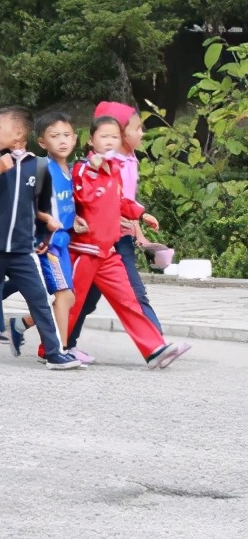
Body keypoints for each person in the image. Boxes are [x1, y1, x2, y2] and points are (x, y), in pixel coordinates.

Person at [0, 107, 80, 369]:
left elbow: (41, 207)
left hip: (24, 250)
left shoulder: (39, 166)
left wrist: (45, 232)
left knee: (41, 300)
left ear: (19, 134)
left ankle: (55, 353)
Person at [65, 116, 189, 368]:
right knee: (72, 302)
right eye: (104, 136)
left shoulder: (114, 171)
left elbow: (121, 201)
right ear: (91, 141)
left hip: (108, 251)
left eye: (114, 137)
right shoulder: (81, 169)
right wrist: (96, 170)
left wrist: (141, 214)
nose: (110, 141)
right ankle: (53, 348)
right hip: (85, 250)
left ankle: (154, 350)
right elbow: (79, 197)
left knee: (129, 299)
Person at [6, 112, 79, 360]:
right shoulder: (42, 168)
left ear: (75, 139)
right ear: (41, 141)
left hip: (62, 243)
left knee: (65, 298)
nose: (62, 140)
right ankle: (58, 350)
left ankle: (21, 325)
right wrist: (42, 228)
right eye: (54, 135)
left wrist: (75, 220)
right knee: (64, 296)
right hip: (47, 244)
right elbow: (26, 202)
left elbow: (66, 205)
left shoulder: (71, 171)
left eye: (66, 135)